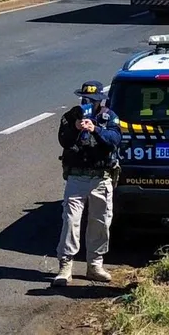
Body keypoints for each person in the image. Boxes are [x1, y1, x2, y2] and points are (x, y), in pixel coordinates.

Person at [52, 80, 121, 287]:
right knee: (71, 221)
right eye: (85, 98)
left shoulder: (109, 117)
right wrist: (75, 127)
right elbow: (63, 140)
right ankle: (65, 265)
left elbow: (115, 140)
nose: (87, 102)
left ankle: (95, 265)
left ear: (101, 100)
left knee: (100, 223)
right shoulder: (71, 116)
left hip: (101, 177)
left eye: (92, 100)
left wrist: (96, 130)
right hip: (77, 177)